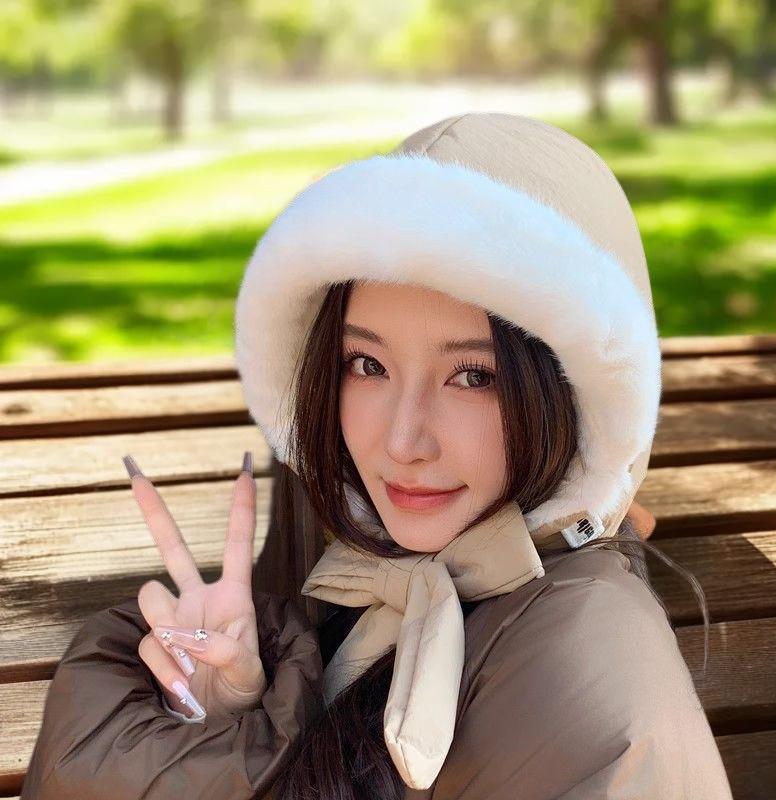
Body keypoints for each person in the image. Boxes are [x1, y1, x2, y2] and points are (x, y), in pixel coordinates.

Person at [20, 112, 734, 800]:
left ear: (574, 393)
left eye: (473, 376)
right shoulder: (352, 543)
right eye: (368, 364)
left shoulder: (588, 680)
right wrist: (218, 719)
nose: (401, 442)